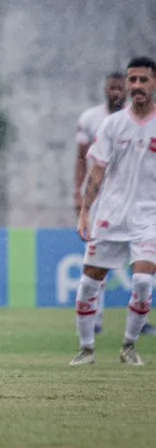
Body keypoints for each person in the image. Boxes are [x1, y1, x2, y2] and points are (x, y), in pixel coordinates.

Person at [71, 56, 156, 366]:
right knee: (88, 285)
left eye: (142, 80)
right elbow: (96, 172)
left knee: (144, 283)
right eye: (132, 80)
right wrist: (84, 211)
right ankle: (86, 349)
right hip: (110, 215)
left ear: (154, 83)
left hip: (149, 219)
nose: (136, 86)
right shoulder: (112, 124)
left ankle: (129, 346)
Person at [74, 72, 128, 334]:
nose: (115, 93)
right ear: (105, 90)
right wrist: (79, 193)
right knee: (98, 262)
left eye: (120, 88)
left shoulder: (142, 121)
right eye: (112, 88)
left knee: (144, 268)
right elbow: (82, 159)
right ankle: (96, 319)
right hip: (101, 200)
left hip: (137, 201)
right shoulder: (91, 119)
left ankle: (138, 319)